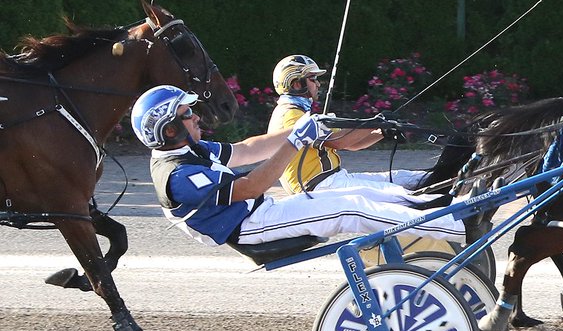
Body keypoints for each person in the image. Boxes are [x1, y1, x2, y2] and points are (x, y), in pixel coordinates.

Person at [131, 84, 479, 249]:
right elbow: (253, 187)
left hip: (261, 212)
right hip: (250, 227)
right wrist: (297, 142)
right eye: (186, 115)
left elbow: (247, 149)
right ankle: (456, 229)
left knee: (362, 194)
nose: (195, 117)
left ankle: (444, 208)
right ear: (170, 130)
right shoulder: (179, 176)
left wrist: (306, 128)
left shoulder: (189, 150)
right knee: (349, 208)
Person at [267, 54, 469, 202]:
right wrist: (376, 122)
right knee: (401, 195)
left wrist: (381, 131)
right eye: (313, 79)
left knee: (408, 178)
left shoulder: (296, 111)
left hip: (332, 180)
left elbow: (351, 145)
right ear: (296, 84)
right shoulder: (291, 115)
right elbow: (340, 141)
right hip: (318, 187)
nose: (318, 84)